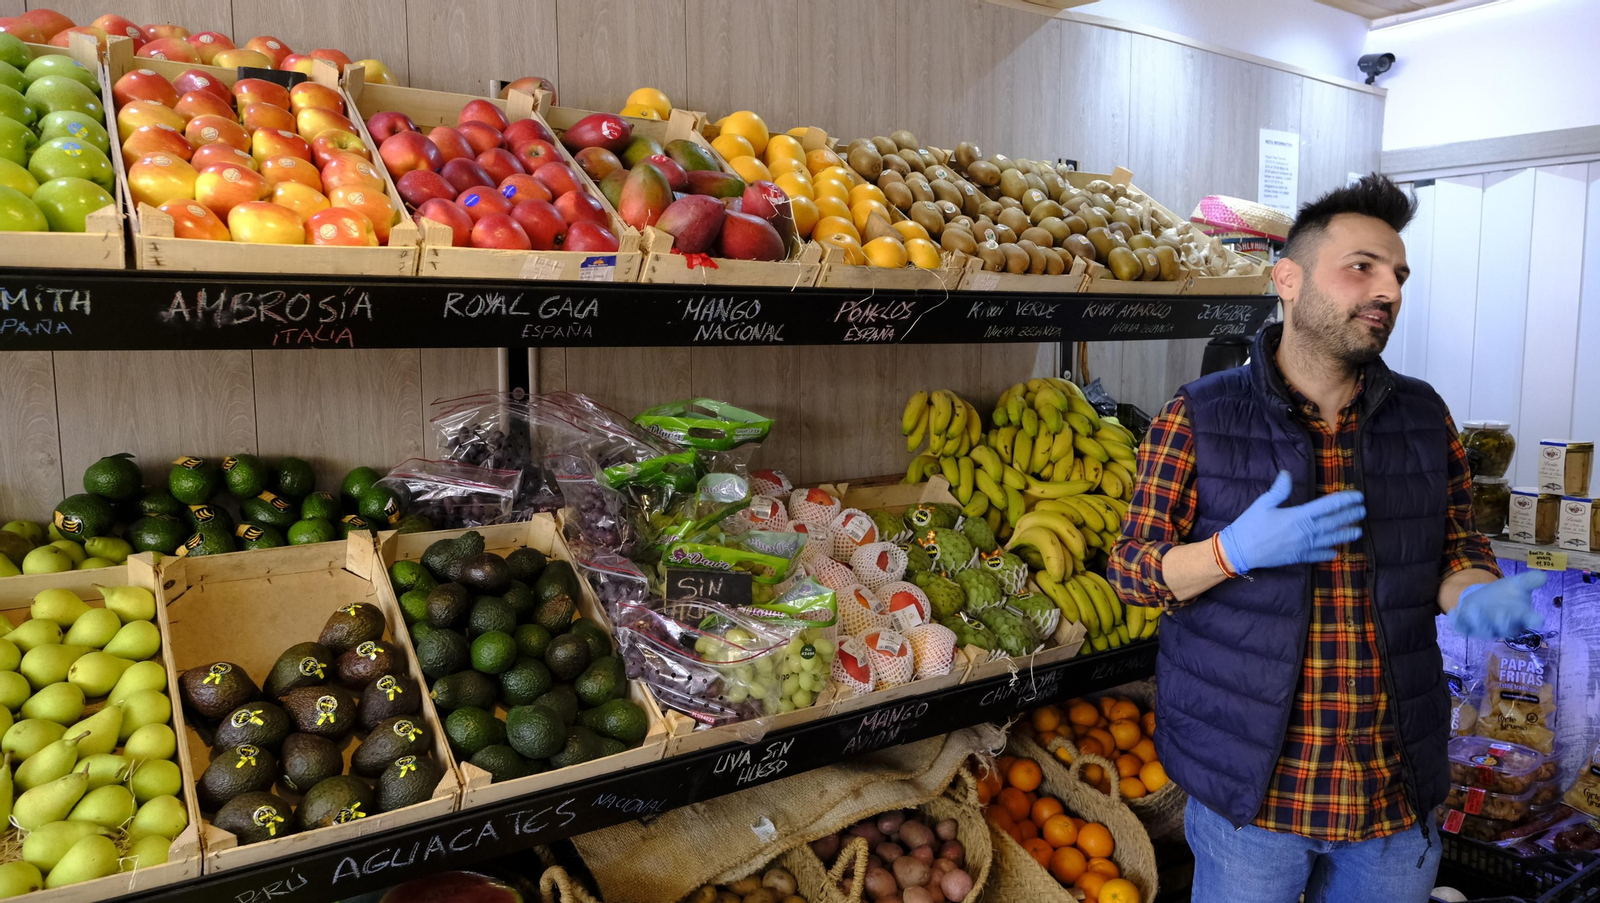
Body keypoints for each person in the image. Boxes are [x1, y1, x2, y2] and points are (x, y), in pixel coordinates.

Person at [1107, 174, 1546, 902]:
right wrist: (1230, 552)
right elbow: (1131, 571)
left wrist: (1473, 596)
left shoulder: (1423, 416)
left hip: (1392, 793)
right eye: (1361, 267)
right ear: (1287, 278)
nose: (1388, 291)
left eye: (1398, 275)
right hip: (1254, 796)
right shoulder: (1200, 415)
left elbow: (1457, 549)